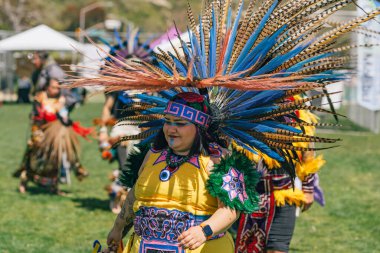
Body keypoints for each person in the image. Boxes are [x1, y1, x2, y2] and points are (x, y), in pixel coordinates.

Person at [69, 1, 379, 252]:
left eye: (180, 123)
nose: (171, 129)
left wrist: (203, 230)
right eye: (169, 122)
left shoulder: (225, 154)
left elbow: (234, 205)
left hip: (252, 209)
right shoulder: (156, 153)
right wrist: (118, 227)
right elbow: (136, 192)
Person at [17, 78, 92, 194]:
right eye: (54, 87)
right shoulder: (40, 98)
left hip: (56, 134)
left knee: (56, 158)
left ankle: (56, 185)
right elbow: (36, 116)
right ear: (47, 87)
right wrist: (37, 132)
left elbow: (64, 118)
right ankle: (24, 179)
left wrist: (64, 112)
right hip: (40, 131)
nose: (57, 90)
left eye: (58, 88)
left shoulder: (61, 100)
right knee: (33, 157)